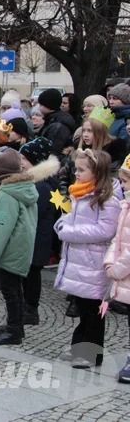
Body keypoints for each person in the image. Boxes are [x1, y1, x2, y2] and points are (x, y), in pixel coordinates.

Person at [54, 149, 120, 369]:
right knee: (84, 308)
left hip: (94, 264)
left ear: (97, 172)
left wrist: (70, 232)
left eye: (82, 170)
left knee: (93, 312)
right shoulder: (80, 193)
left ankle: (92, 354)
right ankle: (78, 347)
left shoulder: (106, 199)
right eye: (76, 169)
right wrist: (62, 224)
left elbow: (105, 230)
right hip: (80, 262)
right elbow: (69, 217)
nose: (77, 174)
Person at [0, 148, 39, 345]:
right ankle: (16, 325)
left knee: (10, 291)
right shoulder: (25, 188)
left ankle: (14, 330)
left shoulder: (8, 193)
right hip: (21, 247)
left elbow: (1, 227)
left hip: (10, 249)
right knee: (15, 289)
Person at [16, 137, 61, 327]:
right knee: (28, 274)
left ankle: (30, 309)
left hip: (36, 239)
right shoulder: (38, 181)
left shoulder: (40, 186)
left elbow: (35, 211)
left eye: (24, 160)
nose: (21, 164)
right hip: (34, 238)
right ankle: (27, 307)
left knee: (32, 276)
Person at [103, 152, 130, 383]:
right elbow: (118, 239)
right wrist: (109, 260)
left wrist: (117, 269)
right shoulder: (126, 206)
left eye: (125, 182)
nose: (121, 186)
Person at [37, 88, 76, 157]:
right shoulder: (52, 120)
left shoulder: (57, 127)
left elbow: (52, 151)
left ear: (48, 105)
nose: (39, 108)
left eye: (41, 105)